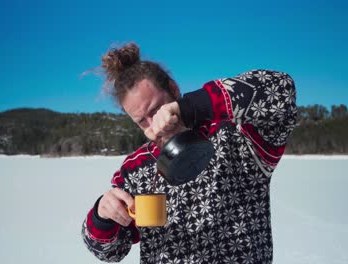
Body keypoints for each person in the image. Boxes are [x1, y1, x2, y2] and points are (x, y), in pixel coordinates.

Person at [81, 42, 297, 263]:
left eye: (156, 110)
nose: (154, 126)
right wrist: (102, 217)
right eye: (141, 121)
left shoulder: (237, 138)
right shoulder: (134, 170)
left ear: (173, 90)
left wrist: (189, 108)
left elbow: (281, 89)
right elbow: (109, 252)